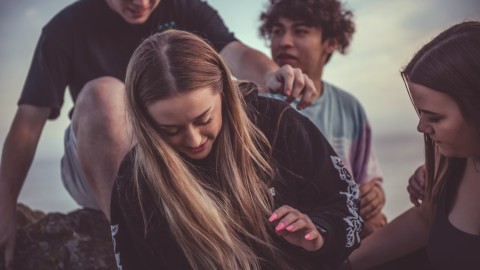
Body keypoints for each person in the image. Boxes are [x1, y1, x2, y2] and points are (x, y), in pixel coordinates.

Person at [0, 0, 319, 269]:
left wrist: (270, 73)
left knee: (229, 91)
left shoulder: (184, 7)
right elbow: (29, 122)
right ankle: (137, 237)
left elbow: (235, 53)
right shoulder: (64, 29)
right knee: (105, 95)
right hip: (96, 159)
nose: (140, 2)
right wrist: (4, 203)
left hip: (173, 152)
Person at [110, 29, 362, 270]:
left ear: (224, 92)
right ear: (145, 122)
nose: (194, 139)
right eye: (170, 130)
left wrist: (317, 233)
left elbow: (345, 205)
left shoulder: (276, 124)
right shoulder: (135, 181)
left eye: (203, 119)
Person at [348, 21, 480, 270]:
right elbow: (424, 220)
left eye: (435, 117)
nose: (421, 127)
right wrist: (340, 263)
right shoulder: (448, 158)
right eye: (420, 113)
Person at [258, 0, 386, 238]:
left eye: (300, 31)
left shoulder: (349, 107)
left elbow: (367, 179)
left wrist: (374, 195)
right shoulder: (256, 106)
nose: (284, 41)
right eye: (277, 31)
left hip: (337, 235)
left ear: (331, 42)